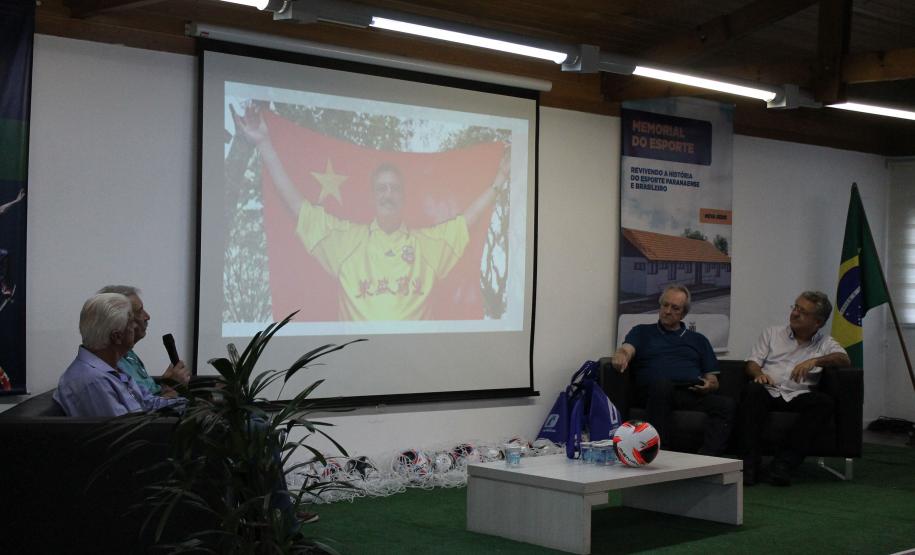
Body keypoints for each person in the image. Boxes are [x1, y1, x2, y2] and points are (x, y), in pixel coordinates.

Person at [233, 104, 508, 321]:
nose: (388, 194)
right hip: (358, 378)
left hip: (419, 374)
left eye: (394, 189)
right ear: (373, 196)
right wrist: (264, 144)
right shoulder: (346, 241)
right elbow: (296, 207)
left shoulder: (427, 245)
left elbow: (466, 222)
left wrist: (498, 182)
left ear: (403, 197)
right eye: (382, 189)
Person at [610, 284, 735, 456]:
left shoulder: (698, 340)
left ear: (683, 313)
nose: (667, 311)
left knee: (726, 405)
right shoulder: (642, 332)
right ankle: (661, 453)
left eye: (675, 308)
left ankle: (707, 459)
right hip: (652, 391)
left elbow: (712, 379)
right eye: (665, 305)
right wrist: (621, 354)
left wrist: (709, 385)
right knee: (663, 386)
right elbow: (627, 349)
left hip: (689, 391)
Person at [742, 291, 851, 486]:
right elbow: (752, 363)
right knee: (752, 390)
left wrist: (815, 360)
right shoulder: (772, 333)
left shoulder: (824, 343)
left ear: (817, 322)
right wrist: (759, 374)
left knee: (823, 403)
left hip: (799, 395)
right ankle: (750, 466)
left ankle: (783, 465)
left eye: (803, 312)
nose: (795, 313)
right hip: (769, 390)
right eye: (795, 307)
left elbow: (844, 359)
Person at [53, 293, 186, 417]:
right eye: (131, 321)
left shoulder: (111, 369)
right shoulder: (94, 381)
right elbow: (126, 432)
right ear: (117, 336)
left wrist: (193, 407)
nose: (135, 326)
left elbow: (148, 403)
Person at [97, 285, 189, 397]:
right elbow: (140, 411)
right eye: (140, 311)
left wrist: (166, 384)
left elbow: (149, 398)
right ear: (119, 321)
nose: (147, 316)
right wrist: (173, 388)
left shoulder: (127, 353)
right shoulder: (112, 364)